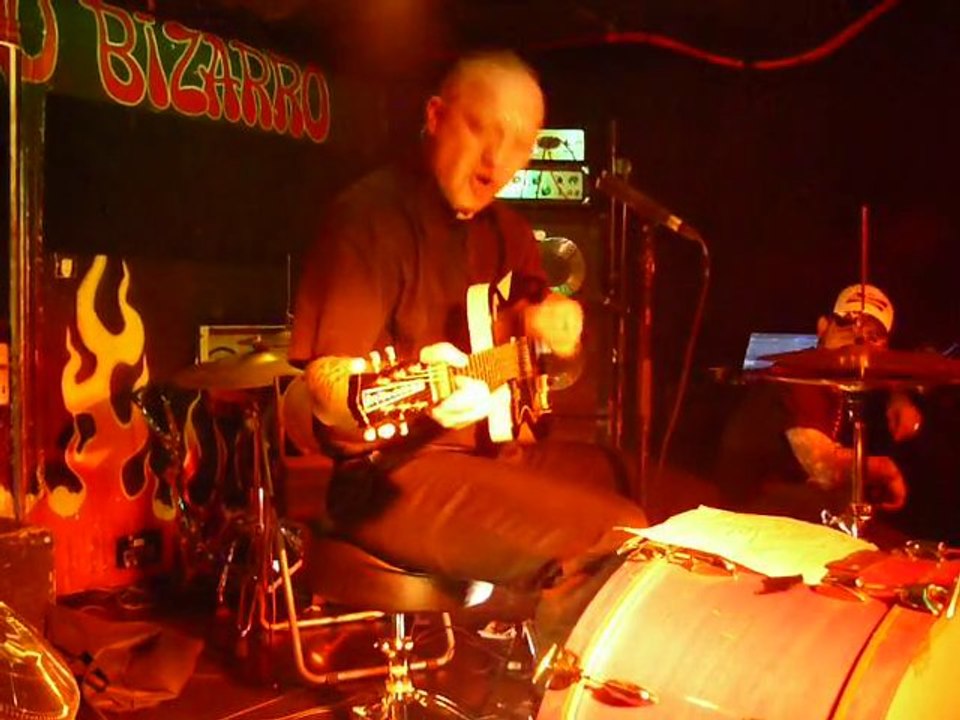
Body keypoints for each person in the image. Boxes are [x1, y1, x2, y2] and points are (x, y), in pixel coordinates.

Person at [287, 50, 647, 651]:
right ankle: (563, 689)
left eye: (520, 144)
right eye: (483, 129)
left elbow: (542, 353)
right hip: (392, 474)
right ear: (435, 117)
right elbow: (324, 387)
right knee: (611, 533)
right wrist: (417, 396)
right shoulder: (367, 220)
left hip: (497, 454)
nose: (497, 159)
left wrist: (555, 326)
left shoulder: (511, 233)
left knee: (665, 501)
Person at [713, 283, 920, 531]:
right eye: (848, 323)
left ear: (883, 348)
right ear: (823, 326)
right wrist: (884, 469)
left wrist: (898, 395)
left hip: (784, 507)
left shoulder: (837, 382)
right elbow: (823, 466)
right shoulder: (801, 375)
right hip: (749, 516)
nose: (859, 338)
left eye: (873, 335)